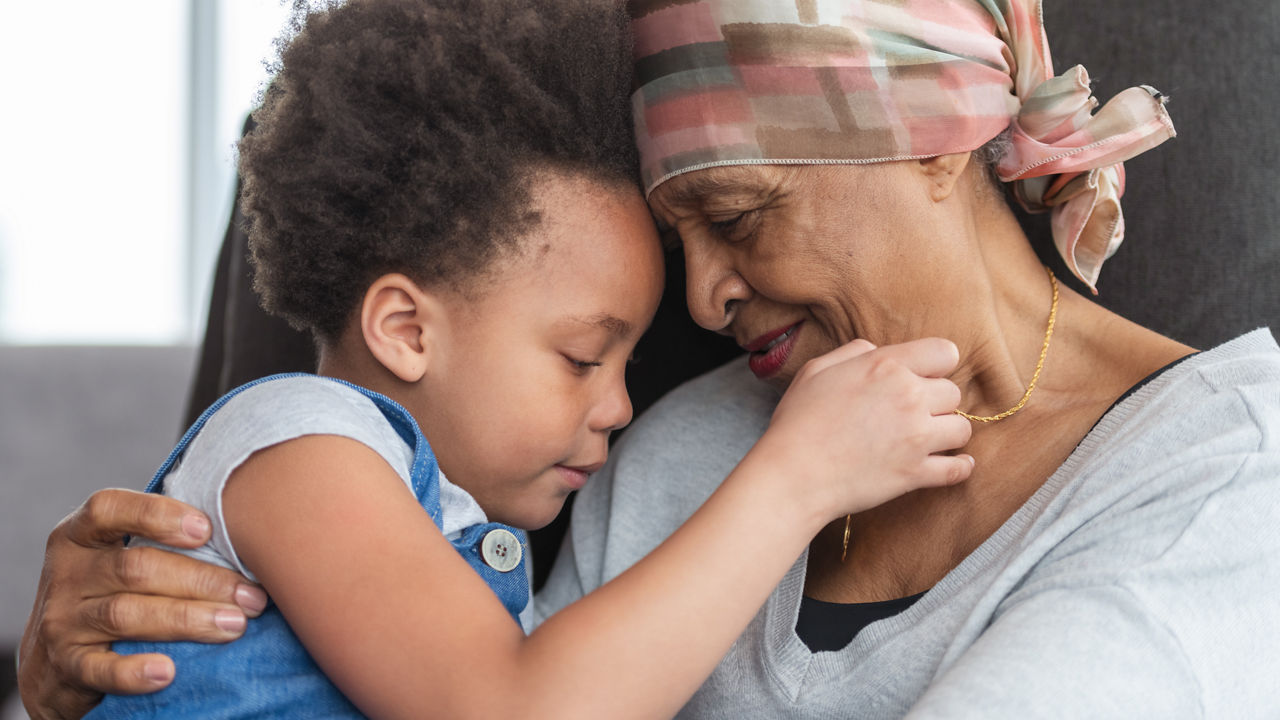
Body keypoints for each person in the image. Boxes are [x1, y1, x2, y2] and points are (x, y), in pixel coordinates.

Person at [18, 0, 1280, 718]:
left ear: (933, 147)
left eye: (733, 219)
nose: (704, 299)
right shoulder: (691, 449)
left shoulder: (1223, 474)